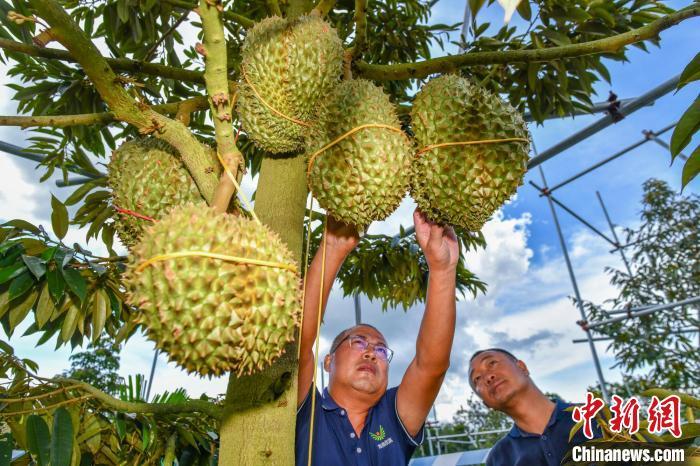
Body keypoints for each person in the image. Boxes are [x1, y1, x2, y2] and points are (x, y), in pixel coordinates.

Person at [295, 210, 459, 465]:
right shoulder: (307, 412)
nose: (372, 352)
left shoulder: (393, 416)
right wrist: (332, 248)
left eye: (382, 350)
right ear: (328, 361)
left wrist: (443, 269)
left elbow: (431, 366)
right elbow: (297, 343)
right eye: (358, 342)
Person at [469, 348, 597, 466]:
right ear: (487, 404)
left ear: (522, 367)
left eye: (492, 363)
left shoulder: (600, 418)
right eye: (477, 379)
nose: (488, 377)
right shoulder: (498, 459)